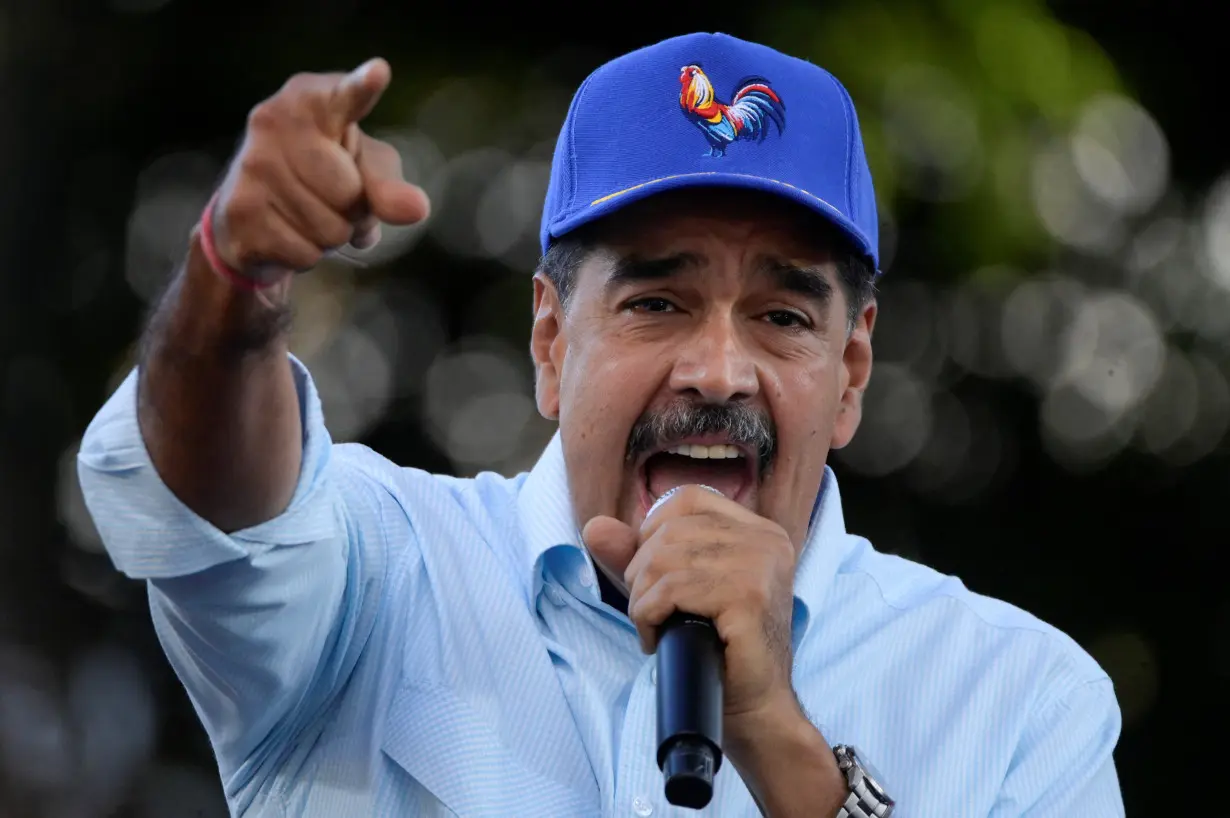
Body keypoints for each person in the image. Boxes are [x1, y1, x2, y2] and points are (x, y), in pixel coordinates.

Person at [78, 32, 1125, 817]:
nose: (719, 370)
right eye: (656, 303)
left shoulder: (1021, 700)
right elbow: (210, 501)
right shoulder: (387, 576)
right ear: (548, 341)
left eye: (782, 316)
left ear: (850, 372)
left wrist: (780, 739)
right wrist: (232, 280)